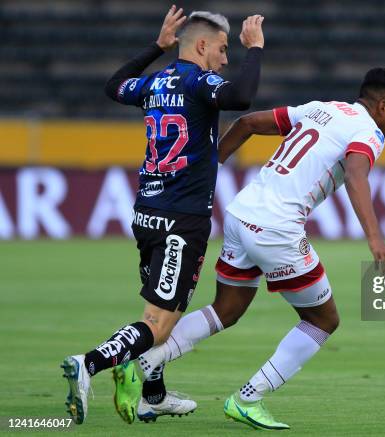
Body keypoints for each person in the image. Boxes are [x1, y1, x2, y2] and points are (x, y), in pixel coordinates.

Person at [115, 67, 385, 429]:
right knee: (323, 320)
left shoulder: (324, 108)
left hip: (242, 215)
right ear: (382, 106)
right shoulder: (369, 132)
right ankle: (248, 398)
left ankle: (142, 362)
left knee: (226, 309)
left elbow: (247, 123)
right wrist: (374, 238)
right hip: (277, 228)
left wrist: (209, 170)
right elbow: (355, 174)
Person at [60, 5, 265, 425]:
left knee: (161, 312)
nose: (225, 60)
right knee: (158, 322)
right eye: (223, 49)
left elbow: (113, 85)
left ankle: (153, 395)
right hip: (181, 221)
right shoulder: (198, 81)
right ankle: (90, 364)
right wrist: (255, 50)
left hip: (148, 213)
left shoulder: (154, 81)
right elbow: (241, 97)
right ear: (203, 45)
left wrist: (156, 47)